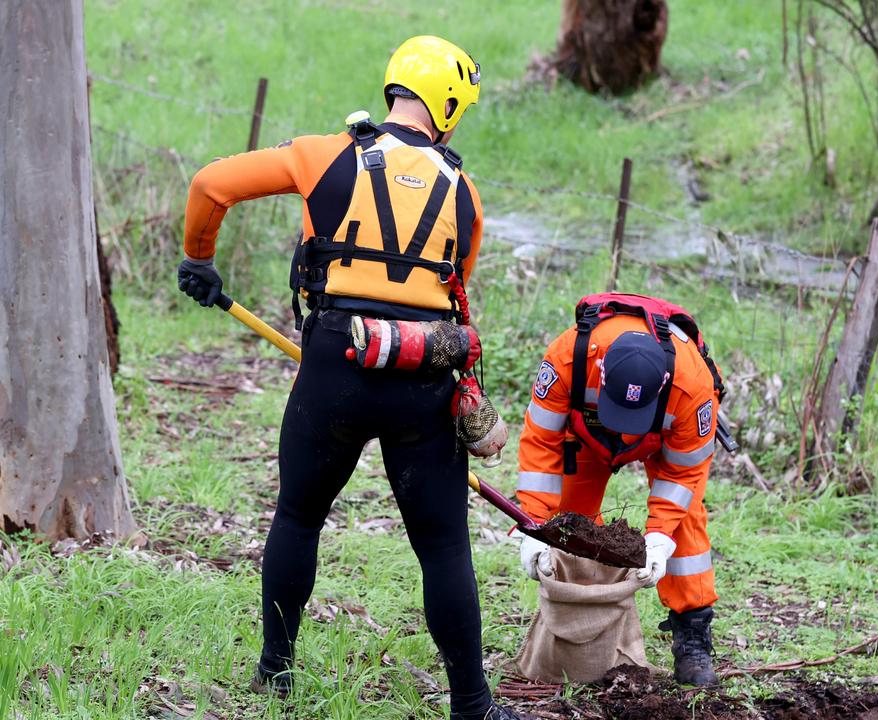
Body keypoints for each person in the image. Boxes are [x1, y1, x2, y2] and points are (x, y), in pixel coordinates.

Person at [176, 35, 526, 720]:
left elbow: (210, 186)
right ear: (448, 105)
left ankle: (276, 673)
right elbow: (457, 292)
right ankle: (473, 705)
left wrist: (200, 259)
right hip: (423, 366)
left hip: (334, 362)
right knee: (445, 545)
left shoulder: (323, 153)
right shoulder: (466, 195)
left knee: (299, 516)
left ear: (395, 87)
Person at [514, 294, 724, 686]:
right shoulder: (567, 359)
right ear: (602, 373)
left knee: (684, 522)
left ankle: (692, 632)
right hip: (587, 436)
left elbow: (684, 474)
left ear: (663, 384)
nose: (626, 425)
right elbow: (541, 443)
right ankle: (578, 633)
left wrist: (659, 538)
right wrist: (534, 527)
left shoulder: (693, 388)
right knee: (568, 528)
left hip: (663, 442)